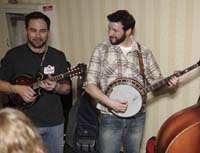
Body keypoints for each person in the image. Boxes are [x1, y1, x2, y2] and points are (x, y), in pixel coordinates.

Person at [84, 10, 179, 153]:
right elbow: (89, 85)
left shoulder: (144, 52)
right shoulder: (101, 50)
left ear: (128, 31)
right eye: (109, 28)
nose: (110, 33)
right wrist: (111, 103)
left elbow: (156, 83)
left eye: (115, 30)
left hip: (137, 118)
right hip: (109, 116)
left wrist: (168, 83)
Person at [0, 12, 71, 153]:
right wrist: (16, 89)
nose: (38, 36)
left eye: (42, 31)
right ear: (26, 30)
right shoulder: (13, 55)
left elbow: (67, 89)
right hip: (25, 124)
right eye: (33, 30)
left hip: (55, 123)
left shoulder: (58, 56)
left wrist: (57, 87)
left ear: (48, 32)